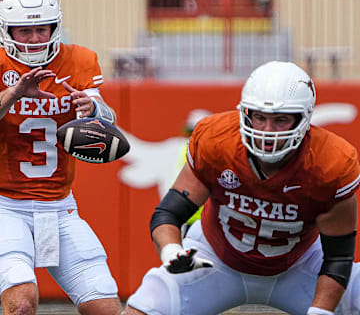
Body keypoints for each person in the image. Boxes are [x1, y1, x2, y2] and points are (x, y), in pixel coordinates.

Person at [122, 61, 360, 315]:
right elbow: (168, 213)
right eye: (260, 117)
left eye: (280, 120)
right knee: (144, 307)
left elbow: (338, 258)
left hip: (300, 265)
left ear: (303, 118)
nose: (267, 131)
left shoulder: (331, 163)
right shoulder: (217, 141)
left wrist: (321, 311)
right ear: (246, 113)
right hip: (214, 260)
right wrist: (172, 250)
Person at [0, 0, 122, 314]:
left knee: (106, 307)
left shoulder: (79, 60)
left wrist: (93, 109)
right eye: (24, 30)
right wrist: (14, 93)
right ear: (6, 31)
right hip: (5, 206)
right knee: (22, 302)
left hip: (60, 207)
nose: (35, 38)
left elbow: (107, 118)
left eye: (43, 27)